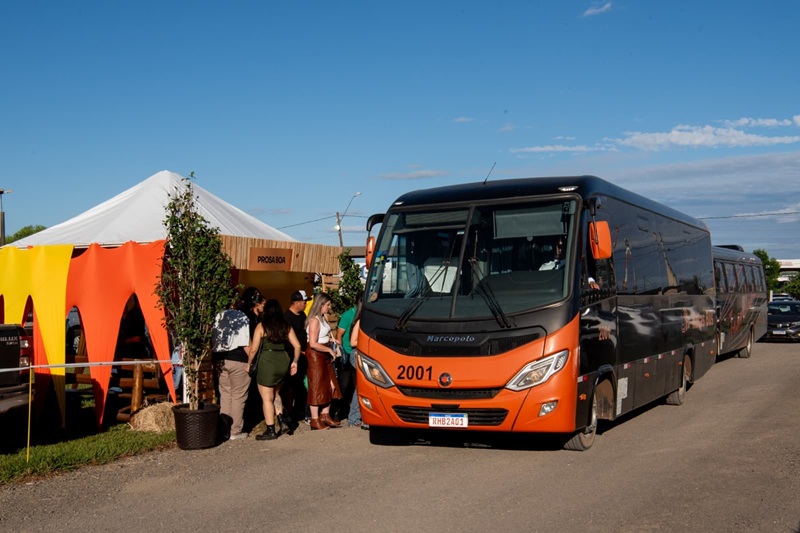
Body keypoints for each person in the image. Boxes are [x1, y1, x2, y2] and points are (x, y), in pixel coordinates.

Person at [248, 299, 301, 441]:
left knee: (266, 398)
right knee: (276, 392)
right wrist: (294, 362)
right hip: (282, 361)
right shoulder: (286, 326)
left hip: (268, 361)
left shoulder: (262, 326)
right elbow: (297, 346)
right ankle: (282, 420)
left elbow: (253, 349)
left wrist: (249, 363)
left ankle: (270, 429)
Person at [212, 293, 252, 440]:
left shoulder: (218, 316)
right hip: (238, 358)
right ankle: (235, 430)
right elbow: (245, 342)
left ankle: (224, 429)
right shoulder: (240, 316)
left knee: (225, 395)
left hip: (221, 359)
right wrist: (252, 361)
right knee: (238, 396)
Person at [305, 292, 343, 430]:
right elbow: (313, 343)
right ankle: (314, 419)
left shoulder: (322, 318)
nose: (329, 307)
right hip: (316, 355)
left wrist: (331, 340)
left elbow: (322, 336)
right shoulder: (314, 320)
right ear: (320, 304)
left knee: (331, 385)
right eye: (327, 304)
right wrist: (329, 350)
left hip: (324, 353)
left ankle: (325, 414)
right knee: (316, 386)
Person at [283, 289, 311, 424]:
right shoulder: (287, 318)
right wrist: (297, 353)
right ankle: (288, 411)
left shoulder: (302, 316)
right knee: (290, 385)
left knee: (301, 384)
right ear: (297, 302)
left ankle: (300, 409)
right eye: (304, 302)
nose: (306, 304)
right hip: (292, 357)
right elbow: (287, 340)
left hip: (303, 355)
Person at [335, 293, 362, 423]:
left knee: (354, 385)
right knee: (345, 385)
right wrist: (342, 352)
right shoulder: (348, 315)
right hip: (348, 352)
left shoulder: (362, 315)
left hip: (356, 353)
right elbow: (339, 334)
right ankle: (339, 412)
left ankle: (349, 412)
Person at [346, 299, 367, 428]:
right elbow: (353, 342)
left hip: (363, 354)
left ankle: (357, 417)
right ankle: (354, 418)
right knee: (361, 387)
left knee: (362, 387)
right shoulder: (359, 322)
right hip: (357, 354)